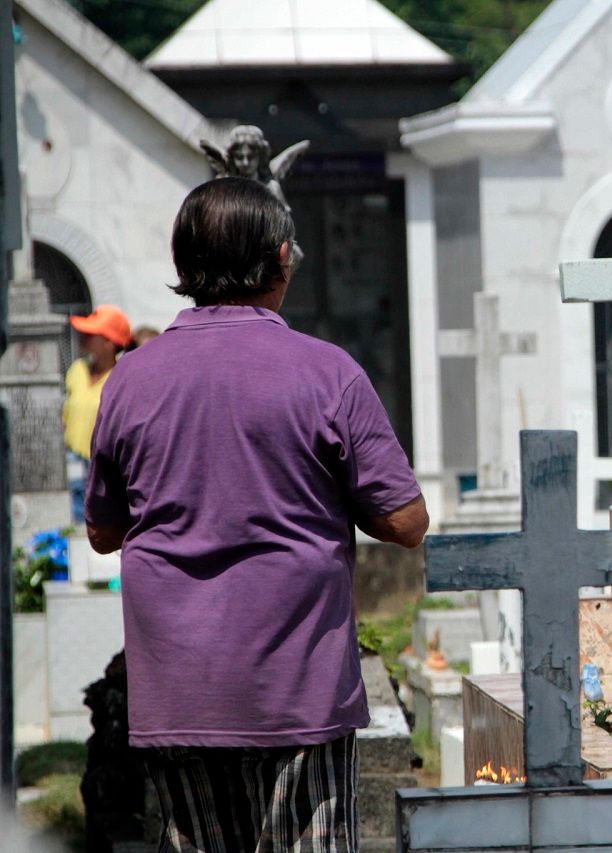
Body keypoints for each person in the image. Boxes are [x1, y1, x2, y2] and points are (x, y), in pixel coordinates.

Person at [84, 177, 428, 851]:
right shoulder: (328, 373)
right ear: (280, 259)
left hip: (180, 691)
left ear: (185, 265)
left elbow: (103, 531)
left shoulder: (129, 380)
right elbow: (405, 523)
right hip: (298, 691)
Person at [63, 305, 132, 522]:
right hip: (74, 456)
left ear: (109, 343)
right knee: (78, 518)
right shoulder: (78, 369)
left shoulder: (121, 377)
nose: (84, 337)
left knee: (103, 520)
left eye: (92, 334)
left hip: (104, 462)